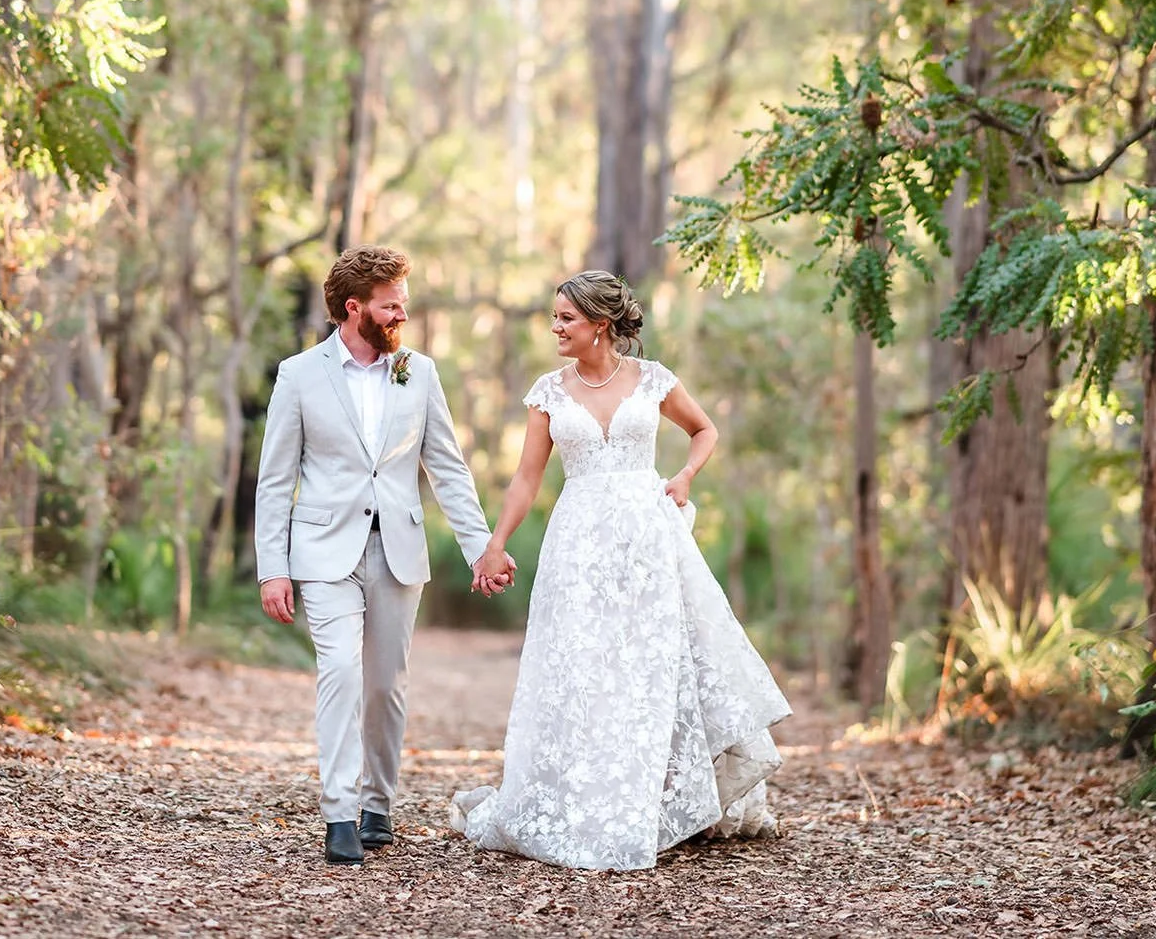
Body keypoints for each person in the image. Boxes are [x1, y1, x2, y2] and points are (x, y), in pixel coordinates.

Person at [450, 270, 789, 871]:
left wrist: (684, 475)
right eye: (554, 318)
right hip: (578, 544)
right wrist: (495, 543)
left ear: (599, 325)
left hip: (648, 538)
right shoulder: (547, 393)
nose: (556, 328)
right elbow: (527, 477)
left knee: (651, 663)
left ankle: (664, 798)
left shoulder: (652, 379)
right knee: (586, 666)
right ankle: (587, 791)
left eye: (566, 319)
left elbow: (705, 429)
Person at [255, 245, 515, 865]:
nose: (402, 313)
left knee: (385, 687)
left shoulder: (418, 372)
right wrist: (274, 567)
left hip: (398, 550)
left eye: (404, 302)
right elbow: (274, 479)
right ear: (354, 308)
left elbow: (448, 469)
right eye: (390, 305)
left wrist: (481, 548)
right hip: (322, 551)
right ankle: (339, 814)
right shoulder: (299, 375)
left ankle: (378, 803)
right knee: (340, 674)